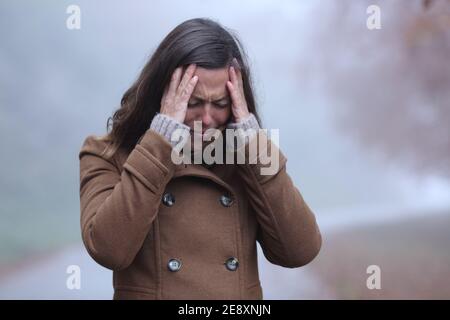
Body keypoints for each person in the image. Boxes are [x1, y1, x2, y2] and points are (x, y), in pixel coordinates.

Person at [79, 18, 321, 300]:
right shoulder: (107, 152)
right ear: (161, 94)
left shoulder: (246, 156)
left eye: (220, 104)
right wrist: (162, 138)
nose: (206, 119)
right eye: (192, 103)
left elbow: (300, 250)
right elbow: (109, 250)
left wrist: (253, 140)